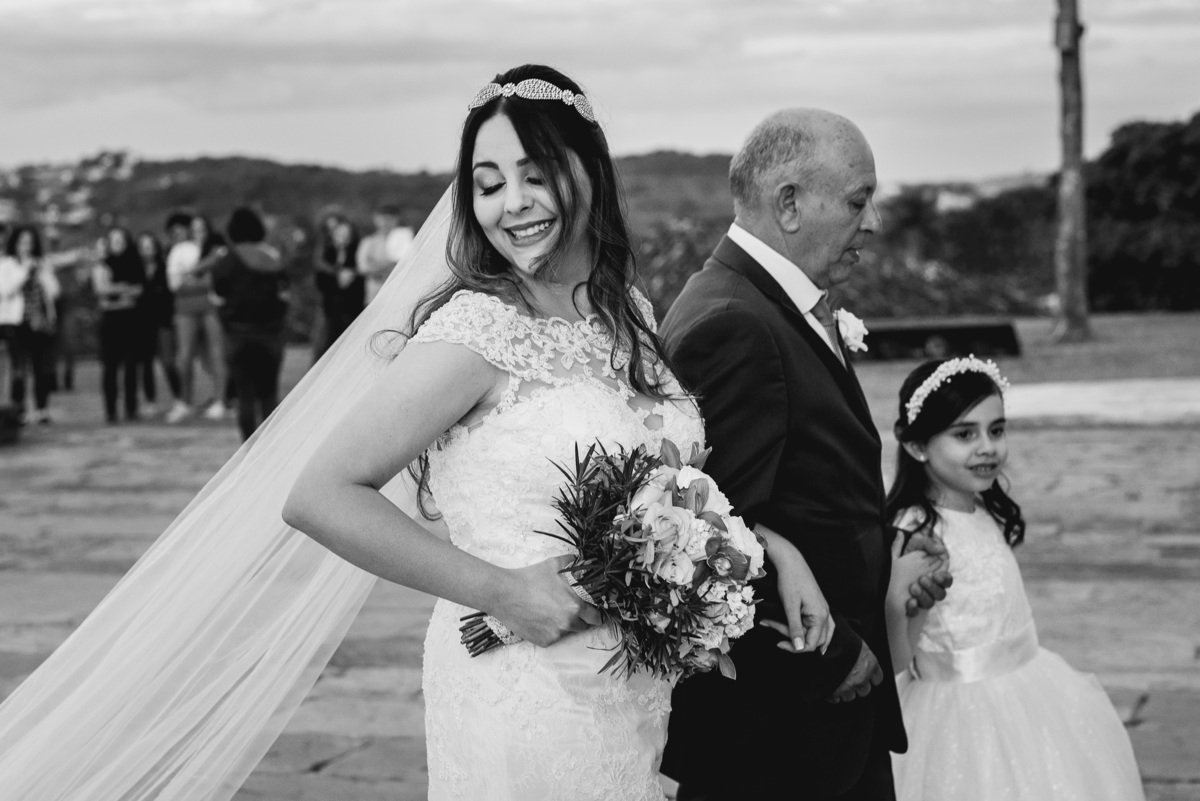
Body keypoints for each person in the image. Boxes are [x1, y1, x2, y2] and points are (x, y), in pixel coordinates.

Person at [660, 109, 951, 801]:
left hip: (818, 733)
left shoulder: (766, 301)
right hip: (782, 739)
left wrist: (890, 549)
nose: (874, 221)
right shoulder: (736, 325)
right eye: (858, 200)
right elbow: (704, 539)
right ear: (789, 203)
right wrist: (837, 657)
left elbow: (809, 491)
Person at [884, 357, 1145, 801]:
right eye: (965, 434)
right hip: (959, 716)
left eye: (997, 430)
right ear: (917, 446)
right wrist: (898, 601)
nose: (988, 447)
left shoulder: (979, 506)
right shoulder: (918, 534)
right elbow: (898, 658)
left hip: (1034, 689)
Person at [210, 207, 290, 441]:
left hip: (237, 335)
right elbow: (284, 294)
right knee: (268, 394)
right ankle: (268, 449)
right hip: (270, 335)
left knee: (244, 395)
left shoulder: (225, 259)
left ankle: (247, 450)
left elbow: (217, 296)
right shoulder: (272, 257)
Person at [0, 225, 61, 425]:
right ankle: (19, 410)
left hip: (40, 323)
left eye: (30, 243)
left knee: (41, 367)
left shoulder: (41, 264)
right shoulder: (6, 264)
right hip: (16, 323)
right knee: (19, 368)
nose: (26, 247)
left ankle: (42, 409)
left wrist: (44, 273)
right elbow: (5, 291)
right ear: (15, 243)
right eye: (22, 242)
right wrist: (24, 271)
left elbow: (54, 293)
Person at [93, 227, 146, 424]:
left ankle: (131, 408)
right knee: (110, 367)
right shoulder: (103, 265)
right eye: (113, 239)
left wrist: (114, 294)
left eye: (120, 239)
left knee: (132, 366)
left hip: (131, 321)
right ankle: (110, 410)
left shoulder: (134, 263)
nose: (117, 243)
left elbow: (138, 290)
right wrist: (124, 291)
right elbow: (101, 292)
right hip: (110, 322)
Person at [136, 232, 183, 417]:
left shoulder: (165, 267)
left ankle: (180, 398)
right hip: (143, 322)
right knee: (145, 363)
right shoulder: (136, 270)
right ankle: (150, 401)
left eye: (150, 246)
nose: (147, 250)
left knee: (168, 361)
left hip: (163, 320)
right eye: (143, 246)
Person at [312, 216, 364, 359]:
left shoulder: (357, 251)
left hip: (353, 307)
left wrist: (349, 276)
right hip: (330, 307)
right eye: (339, 233)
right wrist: (338, 278)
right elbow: (320, 280)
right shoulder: (327, 253)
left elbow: (361, 274)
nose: (343, 237)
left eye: (346, 234)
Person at [356, 203, 413, 304]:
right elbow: (363, 267)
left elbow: (410, 265)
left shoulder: (406, 239)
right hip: (375, 292)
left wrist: (376, 264)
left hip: (399, 291)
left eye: (390, 218)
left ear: (397, 219)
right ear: (375, 219)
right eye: (382, 218)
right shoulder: (368, 241)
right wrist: (391, 264)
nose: (386, 222)